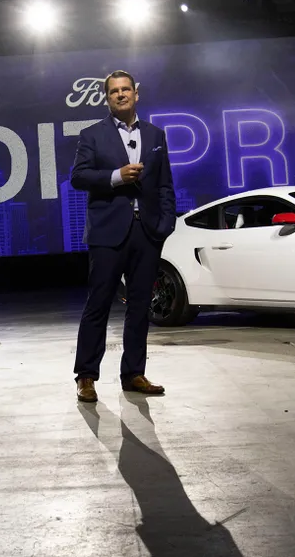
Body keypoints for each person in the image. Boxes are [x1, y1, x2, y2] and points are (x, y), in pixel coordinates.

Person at [69, 70, 176, 402]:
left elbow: (165, 184)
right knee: (98, 305)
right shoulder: (92, 135)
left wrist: (166, 224)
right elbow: (78, 177)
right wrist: (116, 176)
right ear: (107, 97)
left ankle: (133, 373)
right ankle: (86, 376)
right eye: (113, 91)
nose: (120, 95)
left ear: (136, 94)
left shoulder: (156, 134)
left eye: (125, 89)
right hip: (107, 232)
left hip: (146, 232)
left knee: (140, 306)